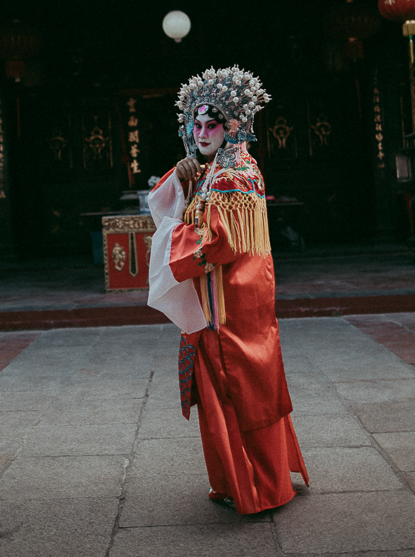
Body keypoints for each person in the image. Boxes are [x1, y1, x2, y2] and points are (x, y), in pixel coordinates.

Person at [147, 66, 309, 514]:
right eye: (195, 125)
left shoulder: (227, 175)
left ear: (232, 127)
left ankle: (255, 486)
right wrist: (184, 178)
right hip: (241, 299)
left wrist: (171, 241)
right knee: (247, 388)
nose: (201, 132)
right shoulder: (225, 166)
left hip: (228, 306)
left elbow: (218, 243)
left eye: (211, 125)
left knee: (235, 390)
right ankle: (241, 481)